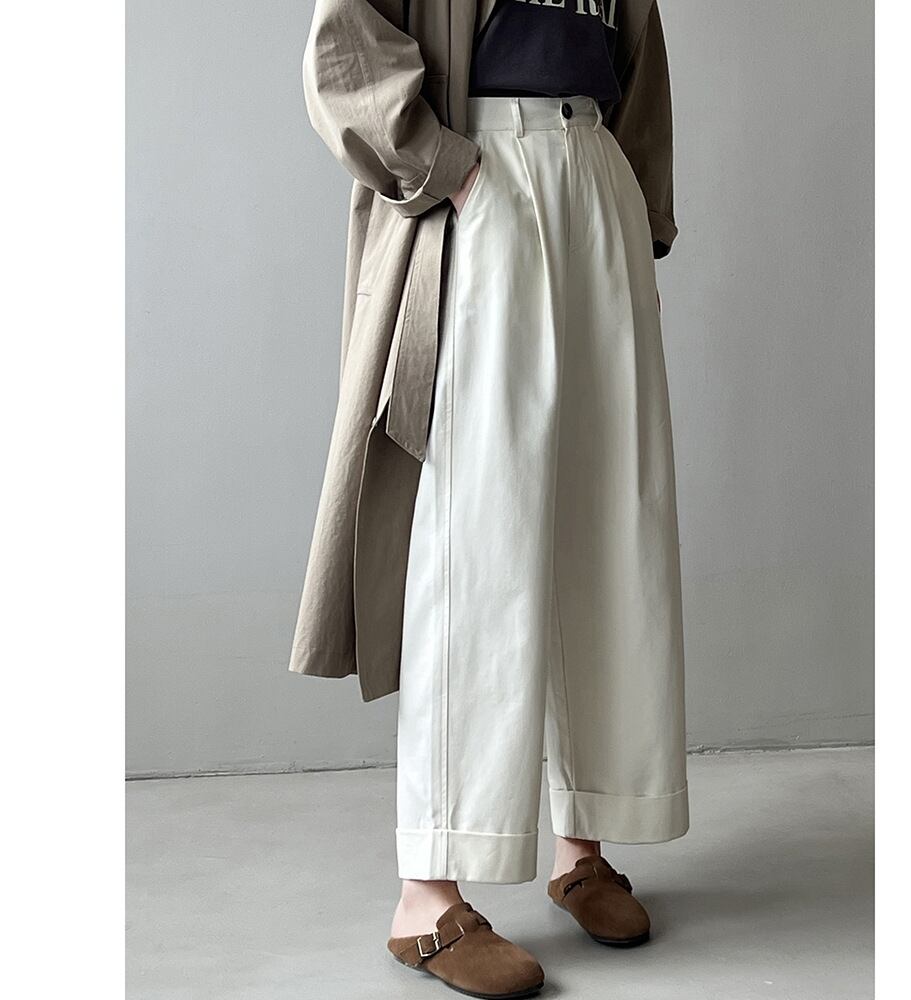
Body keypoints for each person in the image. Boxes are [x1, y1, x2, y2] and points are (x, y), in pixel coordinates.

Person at [292, 2, 687, 996]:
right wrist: (450, 168)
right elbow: (345, 42)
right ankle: (426, 894)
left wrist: (636, 197)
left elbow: (638, 53)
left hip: (594, 167)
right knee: (477, 529)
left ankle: (581, 842)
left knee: (610, 515)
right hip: (486, 171)